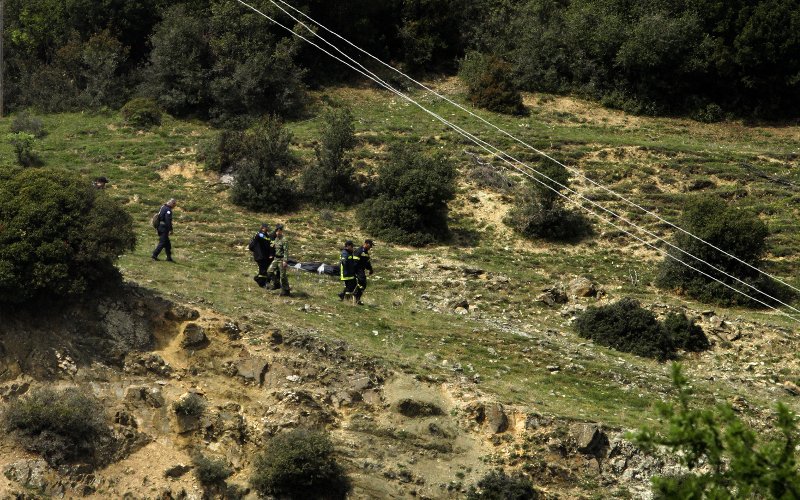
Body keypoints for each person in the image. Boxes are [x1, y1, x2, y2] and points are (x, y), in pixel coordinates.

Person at [266, 224, 290, 296]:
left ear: (281, 232)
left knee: (283, 276)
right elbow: (272, 246)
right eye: (277, 231)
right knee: (269, 271)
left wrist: (285, 261)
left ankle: (285, 290)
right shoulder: (276, 239)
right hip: (276, 258)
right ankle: (276, 283)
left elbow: (286, 251)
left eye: (279, 231)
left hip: (282, 259)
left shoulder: (284, 240)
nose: (278, 233)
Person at [248, 223, 273, 287]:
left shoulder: (266, 235)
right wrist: (270, 239)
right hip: (259, 256)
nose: (267, 229)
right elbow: (263, 238)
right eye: (266, 227)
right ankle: (261, 283)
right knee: (263, 270)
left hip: (264, 256)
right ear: (262, 228)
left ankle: (259, 279)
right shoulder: (259, 234)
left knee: (263, 270)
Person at [353, 239, 374, 305]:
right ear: (366, 244)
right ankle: (355, 295)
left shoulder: (366, 253)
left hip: (361, 270)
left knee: (363, 284)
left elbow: (367, 263)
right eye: (370, 245)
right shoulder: (359, 251)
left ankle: (357, 298)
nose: (371, 247)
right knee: (362, 283)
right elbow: (354, 262)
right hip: (357, 270)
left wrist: (370, 269)